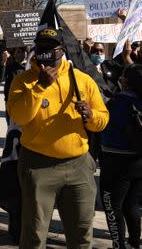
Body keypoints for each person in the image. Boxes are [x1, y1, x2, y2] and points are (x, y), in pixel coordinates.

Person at [8, 27, 110, 249]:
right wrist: (40, 87)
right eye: (40, 47)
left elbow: (103, 119)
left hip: (79, 167)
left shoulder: (82, 80)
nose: (44, 52)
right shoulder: (23, 81)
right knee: (34, 236)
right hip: (38, 165)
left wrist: (91, 116)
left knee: (82, 234)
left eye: (50, 48)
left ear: (62, 50)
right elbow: (19, 117)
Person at [99, 64, 142, 249]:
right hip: (138, 160)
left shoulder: (117, 102)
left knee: (112, 205)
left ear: (125, 81)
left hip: (115, 161)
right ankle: (134, 243)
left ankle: (118, 245)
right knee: (132, 205)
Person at [0, 47, 27, 124]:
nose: (21, 54)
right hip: (12, 102)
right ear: (14, 54)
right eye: (18, 52)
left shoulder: (30, 67)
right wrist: (3, 62)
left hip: (27, 101)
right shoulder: (10, 66)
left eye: (23, 51)